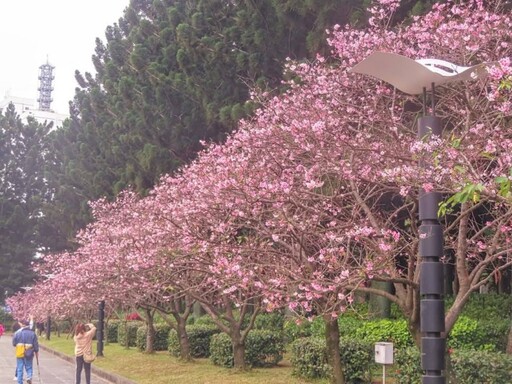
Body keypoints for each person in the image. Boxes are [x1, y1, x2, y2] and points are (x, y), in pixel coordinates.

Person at [12, 319, 39, 384]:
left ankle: (20, 382)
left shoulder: (17, 333)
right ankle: (29, 377)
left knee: (19, 369)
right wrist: (36, 352)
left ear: (23, 326)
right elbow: (36, 345)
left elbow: (14, 343)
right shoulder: (33, 334)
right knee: (29, 367)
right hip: (29, 353)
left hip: (19, 352)